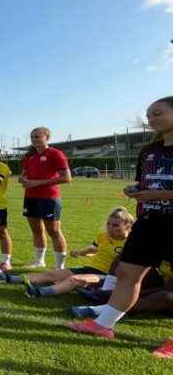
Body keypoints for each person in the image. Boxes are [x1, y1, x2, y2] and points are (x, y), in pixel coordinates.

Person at [67, 97, 173, 350]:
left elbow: (158, 190)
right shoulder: (149, 150)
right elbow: (146, 184)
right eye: (149, 115)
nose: (152, 119)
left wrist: (161, 195)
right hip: (149, 222)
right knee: (126, 274)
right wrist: (135, 189)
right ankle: (103, 326)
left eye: (158, 113)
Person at [0, 207, 133, 298]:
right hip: (89, 269)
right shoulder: (102, 236)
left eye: (115, 225)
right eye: (109, 223)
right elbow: (93, 248)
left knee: (74, 280)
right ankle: (9, 278)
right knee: (52, 273)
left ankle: (38, 292)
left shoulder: (131, 242)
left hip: (106, 276)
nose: (110, 227)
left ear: (127, 227)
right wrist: (79, 252)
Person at [20, 126, 71, 270]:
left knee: (54, 231)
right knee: (36, 230)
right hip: (30, 197)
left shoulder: (56, 154)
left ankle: (60, 267)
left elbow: (67, 178)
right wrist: (23, 179)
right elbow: (25, 175)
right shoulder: (29, 156)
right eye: (32, 137)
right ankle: (39, 261)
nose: (34, 140)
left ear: (47, 138)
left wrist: (37, 183)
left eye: (37, 136)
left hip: (49, 198)